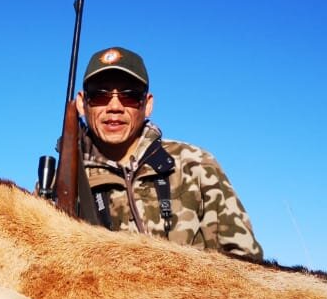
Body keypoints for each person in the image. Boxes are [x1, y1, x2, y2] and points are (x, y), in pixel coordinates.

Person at [67, 46, 262, 259]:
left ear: (148, 104)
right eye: (100, 96)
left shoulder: (195, 164)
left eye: (130, 96)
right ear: (81, 103)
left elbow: (245, 263)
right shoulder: (66, 182)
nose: (115, 106)